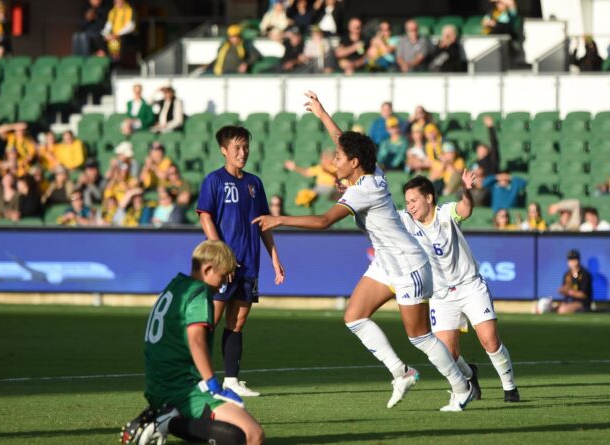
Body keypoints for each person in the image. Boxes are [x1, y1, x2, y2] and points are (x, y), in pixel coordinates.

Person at [253, 91, 476, 411]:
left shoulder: (363, 190)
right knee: (354, 316)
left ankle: (461, 386)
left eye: (338, 158)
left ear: (353, 163)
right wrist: (322, 114)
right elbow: (345, 141)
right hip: (387, 264)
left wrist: (280, 218)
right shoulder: (373, 175)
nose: (333, 160)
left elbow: (324, 220)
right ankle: (402, 372)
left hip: (409, 267)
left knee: (420, 337)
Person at [119, 240, 264, 445]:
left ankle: (167, 418)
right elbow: (196, 340)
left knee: (232, 434)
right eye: (222, 277)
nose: (223, 285)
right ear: (208, 269)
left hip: (158, 386)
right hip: (183, 388)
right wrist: (212, 384)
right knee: (252, 435)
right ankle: (167, 421)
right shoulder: (198, 292)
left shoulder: (175, 285)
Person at [400, 174, 520, 402]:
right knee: (448, 354)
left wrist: (466, 190)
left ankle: (509, 388)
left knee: (489, 340)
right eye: (407, 202)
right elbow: (383, 218)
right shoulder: (407, 221)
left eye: (414, 200)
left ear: (429, 197)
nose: (410, 206)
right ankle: (470, 374)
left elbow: (465, 209)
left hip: (470, 286)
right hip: (441, 294)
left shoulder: (446, 212)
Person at [196, 126, 285, 398]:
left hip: (249, 263)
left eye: (245, 146)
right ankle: (201, 379)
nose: (242, 152)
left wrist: (275, 258)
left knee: (238, 322)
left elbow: (263, 224)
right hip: (224, 265)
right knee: (211, 319)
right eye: (236, 147)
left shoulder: (254, 183)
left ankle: (231, 380)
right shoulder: (214, 181)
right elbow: (205, 216)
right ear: (224, 150)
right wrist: (222, 256)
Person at [556, 250, 593, 314]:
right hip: (569, 301)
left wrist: (569, 292)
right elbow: (565, 289)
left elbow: (583, 294)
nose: (571, 262)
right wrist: (563, 290)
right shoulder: (567, 274)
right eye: (569, 260)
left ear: (577, 260)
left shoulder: (584, 274)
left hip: (582, 303)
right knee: (552, 308)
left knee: (563, 310)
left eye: (573, 260)